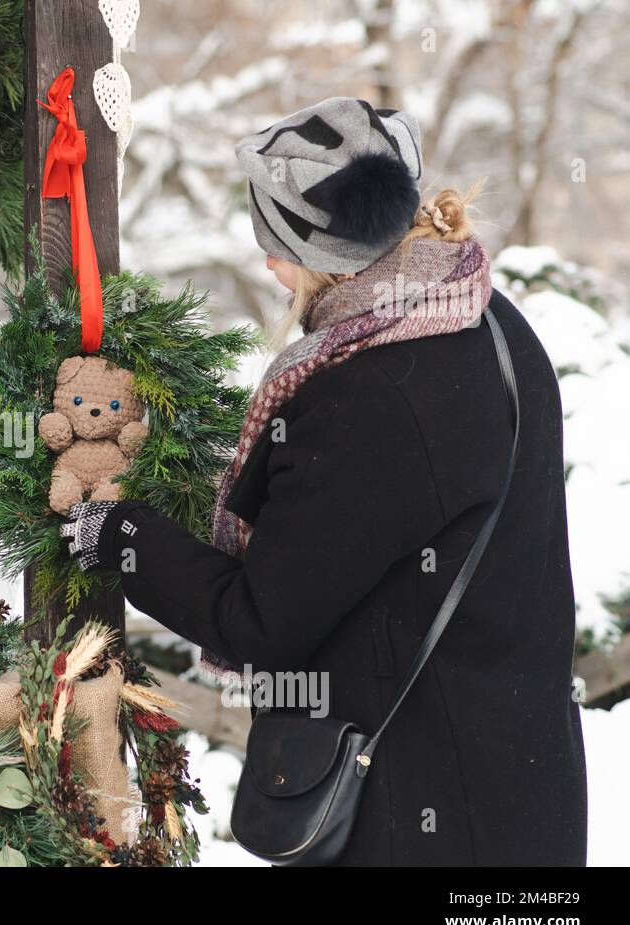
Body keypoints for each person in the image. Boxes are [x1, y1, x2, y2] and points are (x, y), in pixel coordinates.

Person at [60, 97, 587, 865]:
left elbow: (262, 621)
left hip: (415, 807)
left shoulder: (366, 394)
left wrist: (122, 535)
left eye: (273, 243)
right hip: (523, 791)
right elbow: (380, 527)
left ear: (320, 249)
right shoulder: (484, 317)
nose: (267, 265)